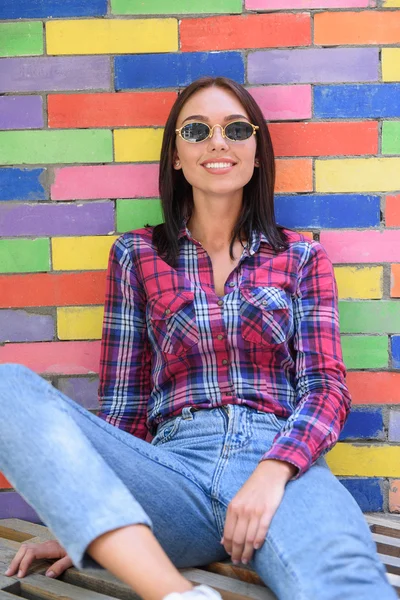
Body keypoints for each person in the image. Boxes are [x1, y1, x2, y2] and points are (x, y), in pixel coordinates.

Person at [0, 76, 396, 600]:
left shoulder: (302, 258)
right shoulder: (136, 257)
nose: (218, 142)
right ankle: (176, 594)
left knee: (345, 581)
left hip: (281, 469)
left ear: (257, 153)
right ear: (175, 157)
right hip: (172, 472)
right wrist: (89, 514)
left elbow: (326, 388)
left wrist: (271, 473)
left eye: (236, 128)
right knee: (8, 390)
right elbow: (126, 407)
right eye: (196, 130)